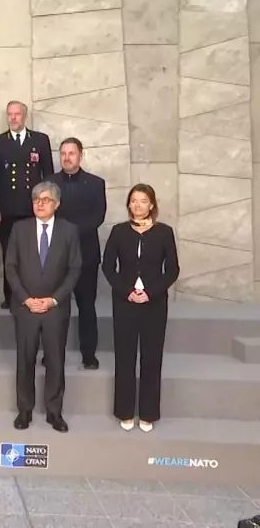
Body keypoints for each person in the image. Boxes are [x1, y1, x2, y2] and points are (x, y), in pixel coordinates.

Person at [4, 181, 81, 433]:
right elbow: (11, 267)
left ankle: (54, 412)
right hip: (25, 306)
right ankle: (24, 411)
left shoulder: (69, 231)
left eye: (46, 199)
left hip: (55, 308)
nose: (40, 203)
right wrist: (25, 298)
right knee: (24, 359)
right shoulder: (19, 228)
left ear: (56, 204)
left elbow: (74, 270)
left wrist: (53, 299)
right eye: (36, 199)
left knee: (55, 361)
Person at [102, 184, 179, 433]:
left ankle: (148, 412)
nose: (137, 205)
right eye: (133, 200)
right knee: (125, 357)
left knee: (151, 358)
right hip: (124, 303)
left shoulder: (164, 232)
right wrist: (127, 291)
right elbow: (108, 267)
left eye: (142, 201)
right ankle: (124, 411)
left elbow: (172, 270)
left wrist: (150, 292)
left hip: (154, 304)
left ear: (152, 205)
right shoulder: (119, 231)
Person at [48, 138, 107, 369]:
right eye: (63, 153)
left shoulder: (95, 183)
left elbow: (97, 216)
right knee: (55, 308)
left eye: (71, 153)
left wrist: (68, 231)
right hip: (56, 256)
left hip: (86, 255)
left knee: (86, 306)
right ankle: (52, 353)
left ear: (80, 155)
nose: (67, 157)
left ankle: (88, 353)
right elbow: (45, 215)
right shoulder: (49, 183)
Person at [0, 101, 54, 309]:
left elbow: (48, 176)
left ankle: (34, 294)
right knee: (10, 254)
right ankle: (11, 296)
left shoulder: (40, 140)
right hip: (7, 210)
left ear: (24, 116)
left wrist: (48, 206)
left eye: (17, 114)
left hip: (33, 209)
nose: (13, 118)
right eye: (10, 114)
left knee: (34, 253)